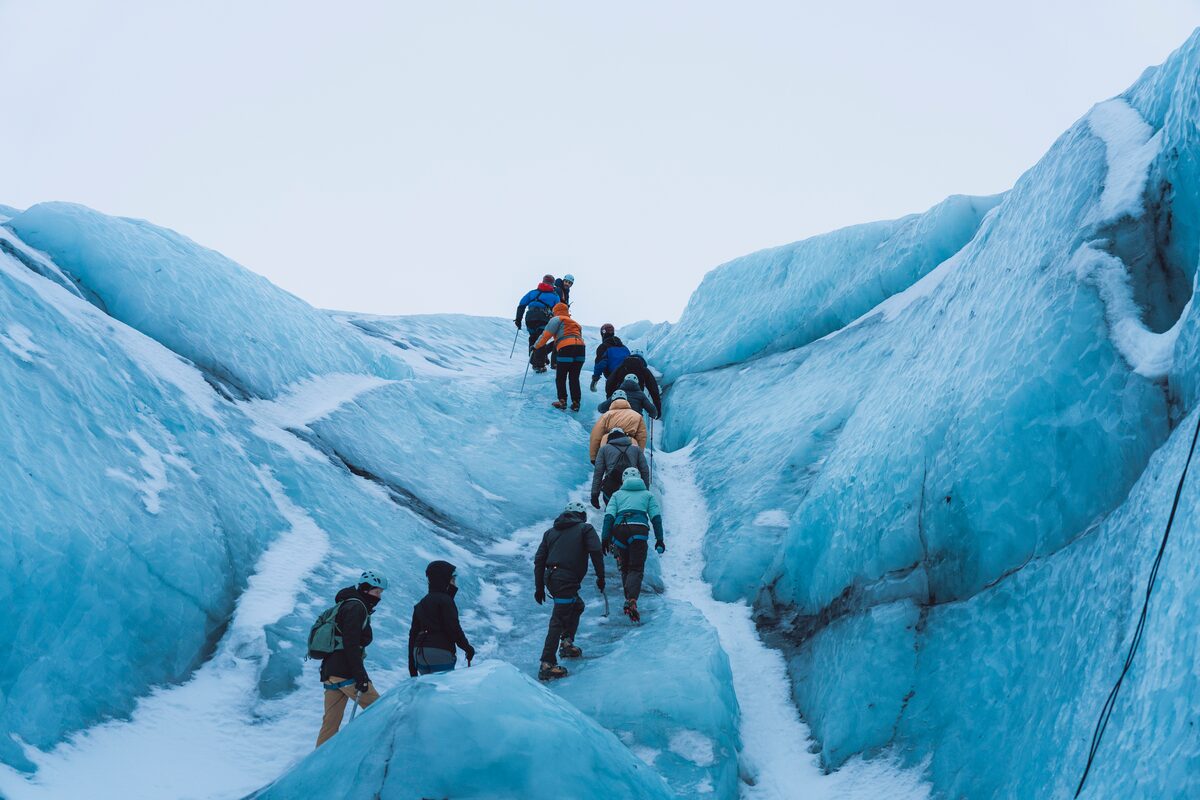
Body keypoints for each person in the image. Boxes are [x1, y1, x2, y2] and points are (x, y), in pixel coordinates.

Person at [533, 500, 605, 680]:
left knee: (577, 605)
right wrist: (600, 576)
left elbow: (539, 560)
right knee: (558, 618)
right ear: (582, 516)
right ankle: (547, 663)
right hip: (565, 579)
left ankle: (566, 643)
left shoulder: (550, 532)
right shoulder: (585, 529)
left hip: (552, 578)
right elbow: (596, 550)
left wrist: (539, 587)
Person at [316, 570, 388, 747]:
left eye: (380, 593)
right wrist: (361, 677)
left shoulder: (346, 604)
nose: (379, 596)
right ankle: (382, 752)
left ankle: (320, 766)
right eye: (376, 592)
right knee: (382, 712)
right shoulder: (356, 607)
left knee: (330, 726)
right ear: (365, 589)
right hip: (345, 672)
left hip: (331, 671)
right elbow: (351, 645)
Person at [602, 468, 665, 623]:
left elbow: (609, 516)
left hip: (620, 530)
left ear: (623, 480)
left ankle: (629, 599)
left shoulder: (617, 495)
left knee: (624, 568)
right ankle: (632, 600)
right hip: (639, 530)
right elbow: (656, 518)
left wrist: (605, 538)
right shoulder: (648, 495)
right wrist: (659, 539)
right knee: (636, 568)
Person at [408, 561, 475, 677]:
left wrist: (412, 668)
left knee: (428, 691)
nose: (455, 585)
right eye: (452, 580)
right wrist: (468, 648)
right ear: (444, 581)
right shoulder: (446, 601)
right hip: (440, 653)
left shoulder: (420, 604)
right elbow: (453, 629)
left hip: (419, 653)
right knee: (441, 691)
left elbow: (413, 636)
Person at [534, 302, 586, 411]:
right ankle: (576, 402)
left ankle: (562, 401)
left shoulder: (556, 319)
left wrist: (536, 347)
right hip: (581, 349)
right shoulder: (576, 323)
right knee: (574, 377)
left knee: (561, 376)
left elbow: (546, 335)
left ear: (555, 311)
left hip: (566, 348)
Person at [591, 427, 650, 508]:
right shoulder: (636, 449)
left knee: (612, 512)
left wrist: (594, 495)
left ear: (609, 437)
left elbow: (598, 473)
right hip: (632, 486)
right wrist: (646, 491)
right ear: (624, 436)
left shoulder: (604, 449)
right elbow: (644, 471)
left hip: (611, 488)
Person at [515, 275, 560, 373]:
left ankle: (535, 361)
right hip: (543, 318)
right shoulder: (555, 296)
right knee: (541, 339)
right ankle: (539, 365)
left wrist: (518, 320)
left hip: (529, 318)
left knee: (533, 337)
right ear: (553, 284)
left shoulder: (532, 293)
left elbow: (521, 305)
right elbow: (558, 311)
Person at [589, 394, 647, 462]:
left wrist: (593, 457)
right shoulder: (637, 416)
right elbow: (642, 437)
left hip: (608, 442)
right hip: (630, 442)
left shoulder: (606, 415)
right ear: (626, 401)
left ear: (612, 401)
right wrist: (639, 456)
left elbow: (596, 436)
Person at [604, 350, 662, 418]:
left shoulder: (620, 368)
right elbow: (653, 389)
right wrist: (658, 408)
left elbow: (610, 383)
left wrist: (610, 398)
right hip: (638, 400)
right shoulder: (644, 370)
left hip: (620, 397)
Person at [589, 328, 630, 393]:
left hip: (614, 378)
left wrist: (595, 380)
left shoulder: (603, 347)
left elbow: (600, 364)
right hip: (628, 378)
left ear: (603, 334)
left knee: (613, 399)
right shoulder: (625, 348)